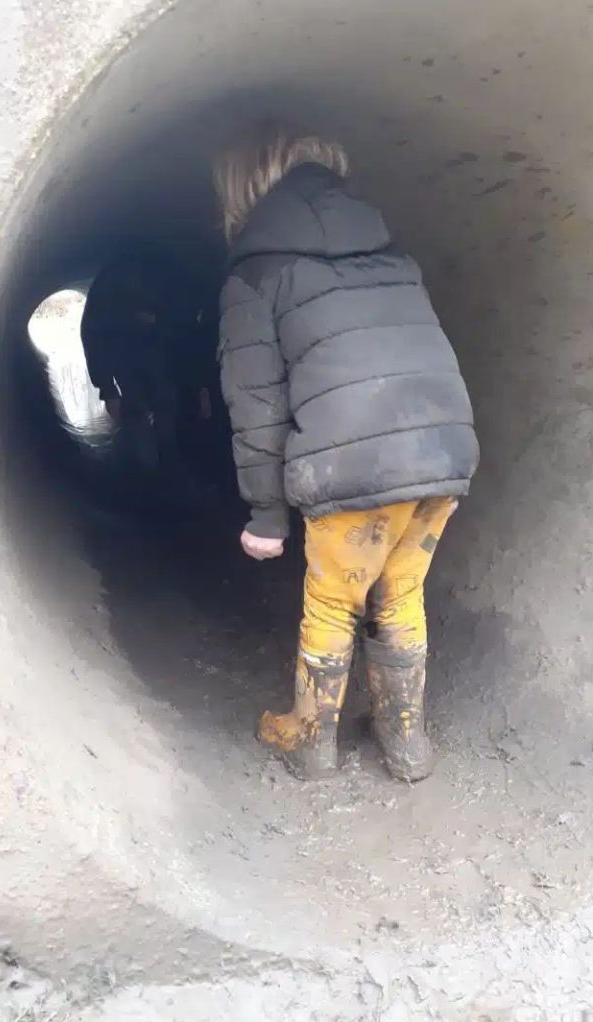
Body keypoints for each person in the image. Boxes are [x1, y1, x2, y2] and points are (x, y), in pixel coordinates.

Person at [213, 126, 479, 782]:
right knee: (400, 592)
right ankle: (406, 743)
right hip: (442, 450)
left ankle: (309, 740)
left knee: (334, 601)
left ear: (241, 190)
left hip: (352, 467)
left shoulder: (256, 275)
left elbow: (257, 406)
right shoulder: (392, 255)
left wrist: (266, 516)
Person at [80, 243, 215, 488]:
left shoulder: (178, 291)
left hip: (162, 358)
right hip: (125, 358)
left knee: (167, 404)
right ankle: (145, 480)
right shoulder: (110, 290)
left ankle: (167, 470)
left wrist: (201, 386)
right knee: (136, 413)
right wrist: (108, 390)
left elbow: (192, 339)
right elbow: (94, 336)